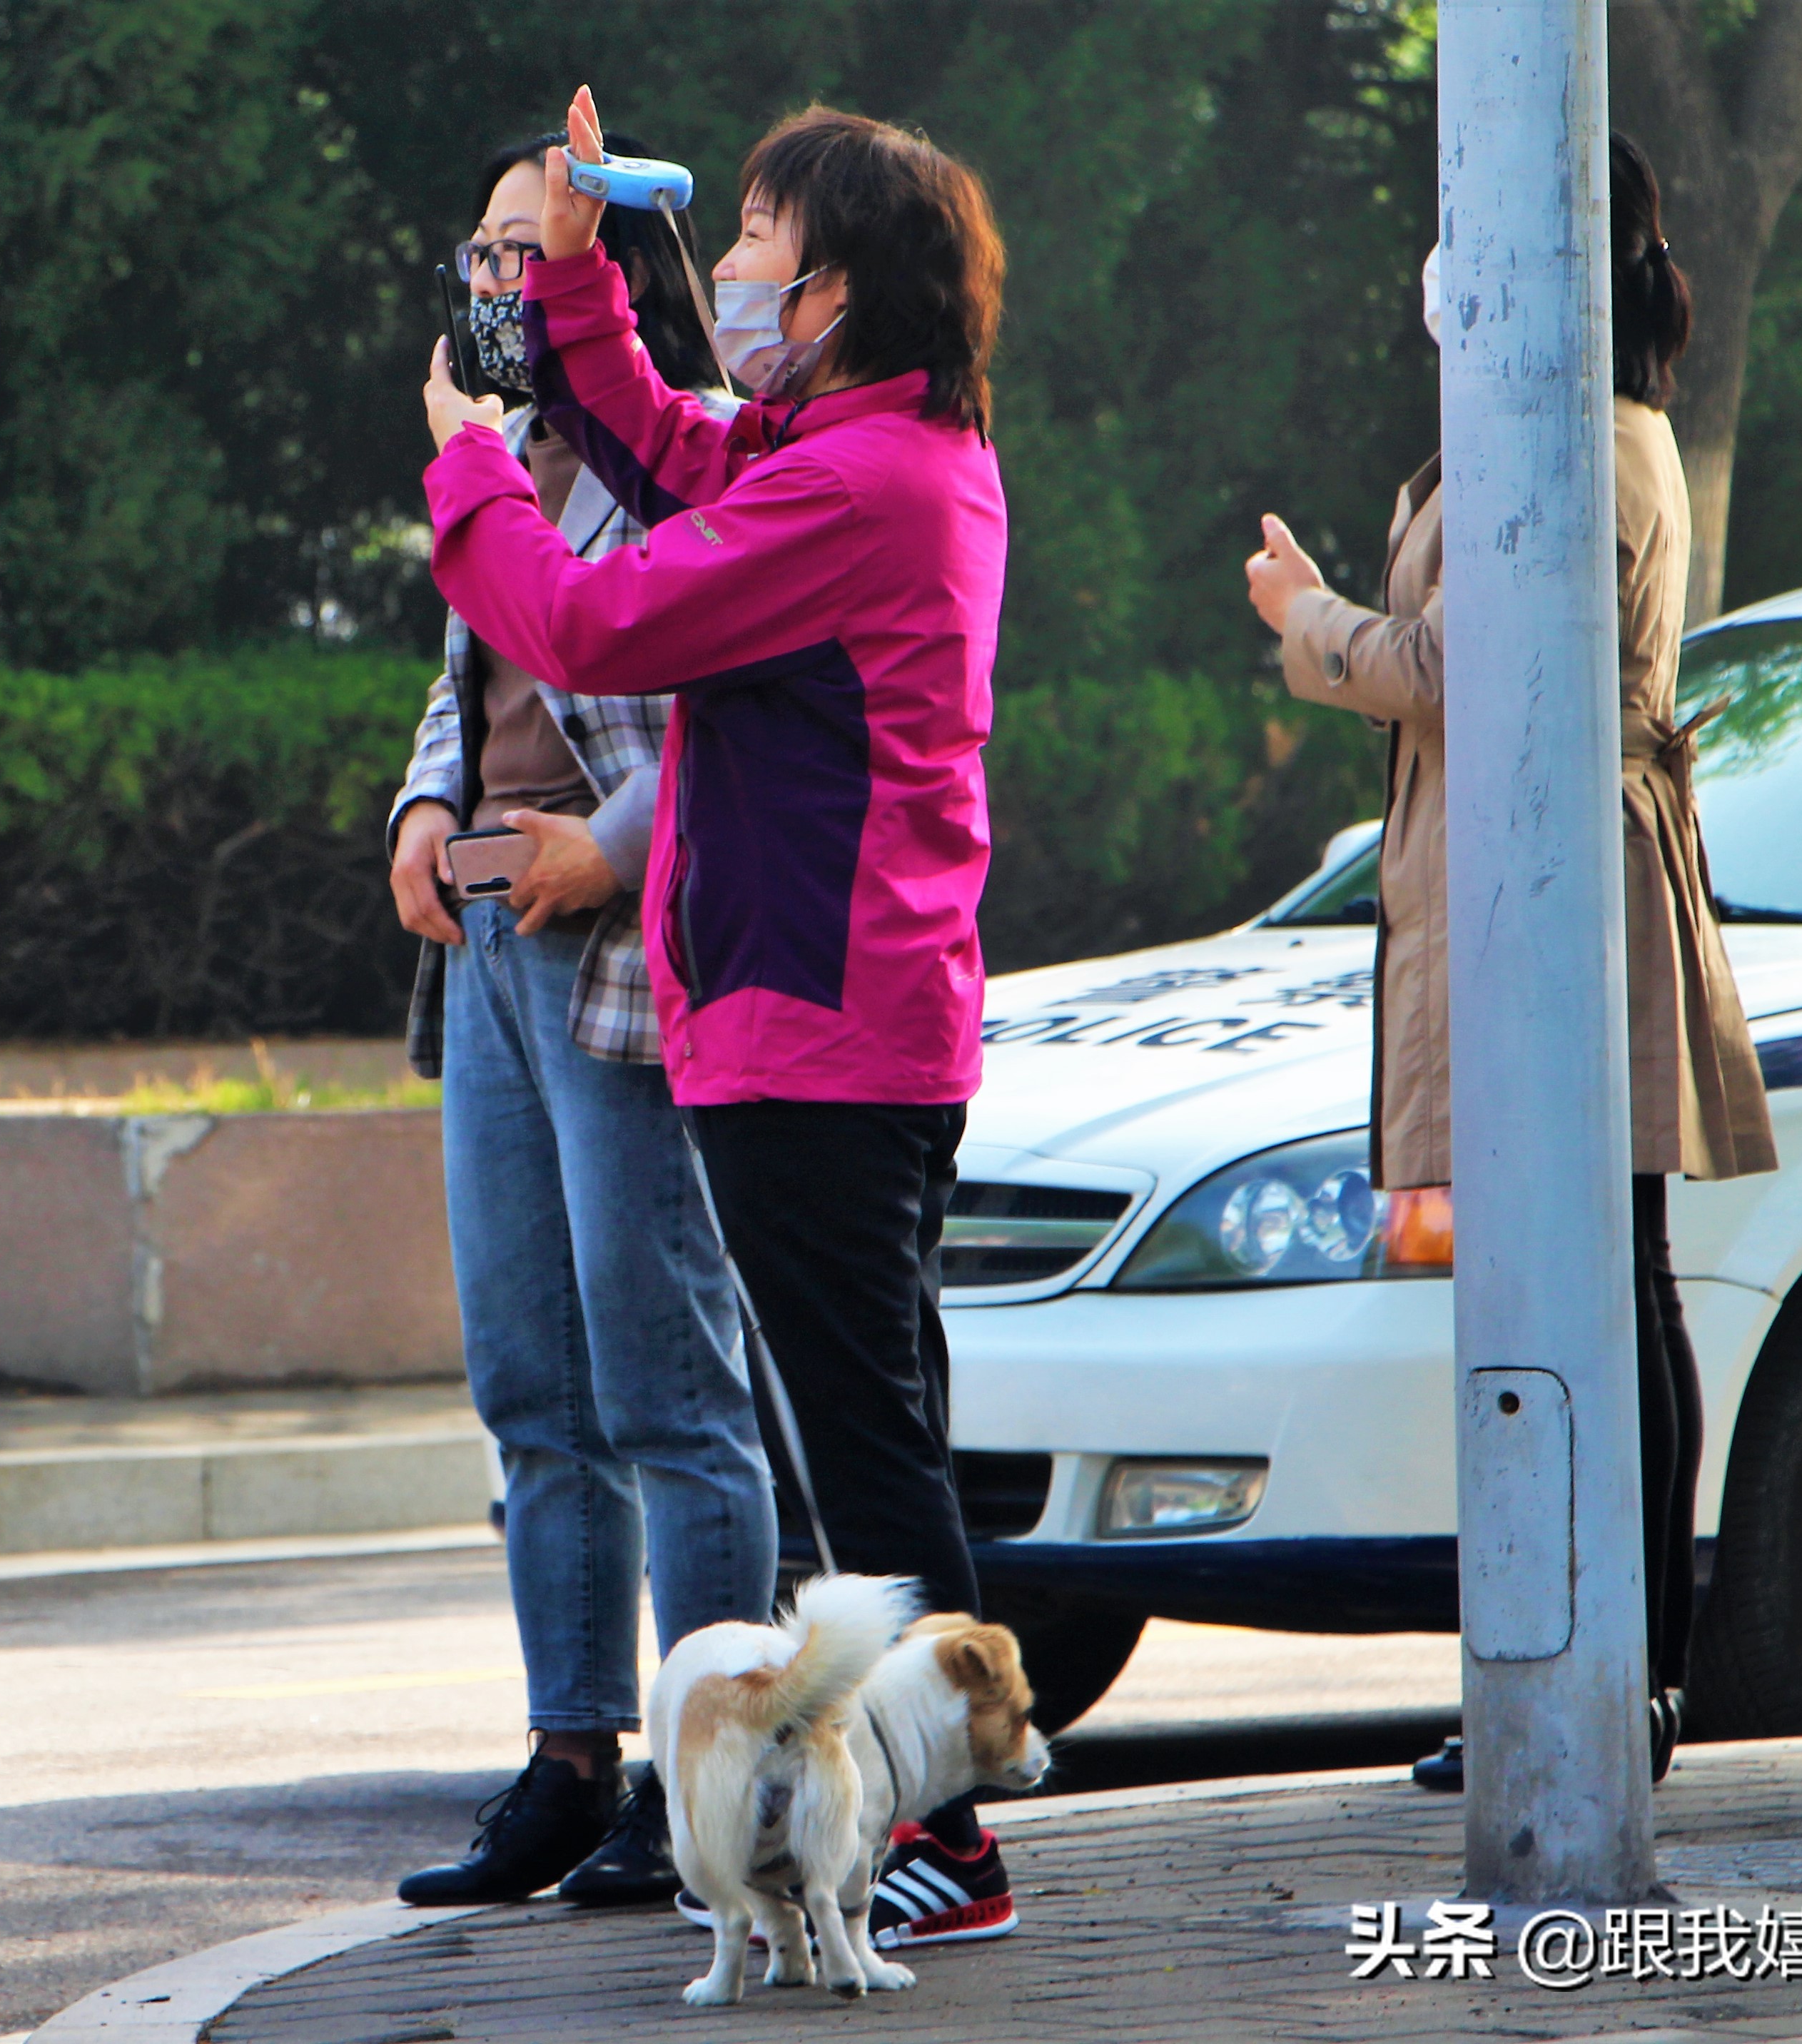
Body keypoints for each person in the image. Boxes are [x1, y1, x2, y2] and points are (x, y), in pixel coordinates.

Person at [417, 89, 1027, 1953]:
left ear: (836, 292)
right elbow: (685, 451)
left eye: (759, 243)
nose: (741, 270)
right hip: (841, 1020)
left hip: (819, 1029)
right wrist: (591, 292)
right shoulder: (863, 450)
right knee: (871, 1439)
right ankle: (925, 1822)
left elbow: (594, 621)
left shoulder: (857, 487)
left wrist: (468, 467)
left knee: (867, 1461)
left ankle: (950, 1839)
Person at [1242, 133, 1775, 1791]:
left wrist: (1309, 619)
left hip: (1573, 885)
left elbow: (1462, 664)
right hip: (1539, 873)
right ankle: (1577, 1660)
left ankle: (1626, 1674)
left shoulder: (1590, 445)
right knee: (1591, 1282)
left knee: (1608, 1280)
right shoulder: (1570, 429)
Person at [387, 128, 778, 1912]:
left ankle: (715, 1776)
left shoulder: (688, 446)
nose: (491, 276)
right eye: (479, 249)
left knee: (666, 1386)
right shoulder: (500, 446)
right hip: (487, 955)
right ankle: (569, 1754)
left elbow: (733, 706)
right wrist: (419, 816)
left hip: (624, 966)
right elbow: (464, 667)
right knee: (529, 1385)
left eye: (518, 244)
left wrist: (605, 851)